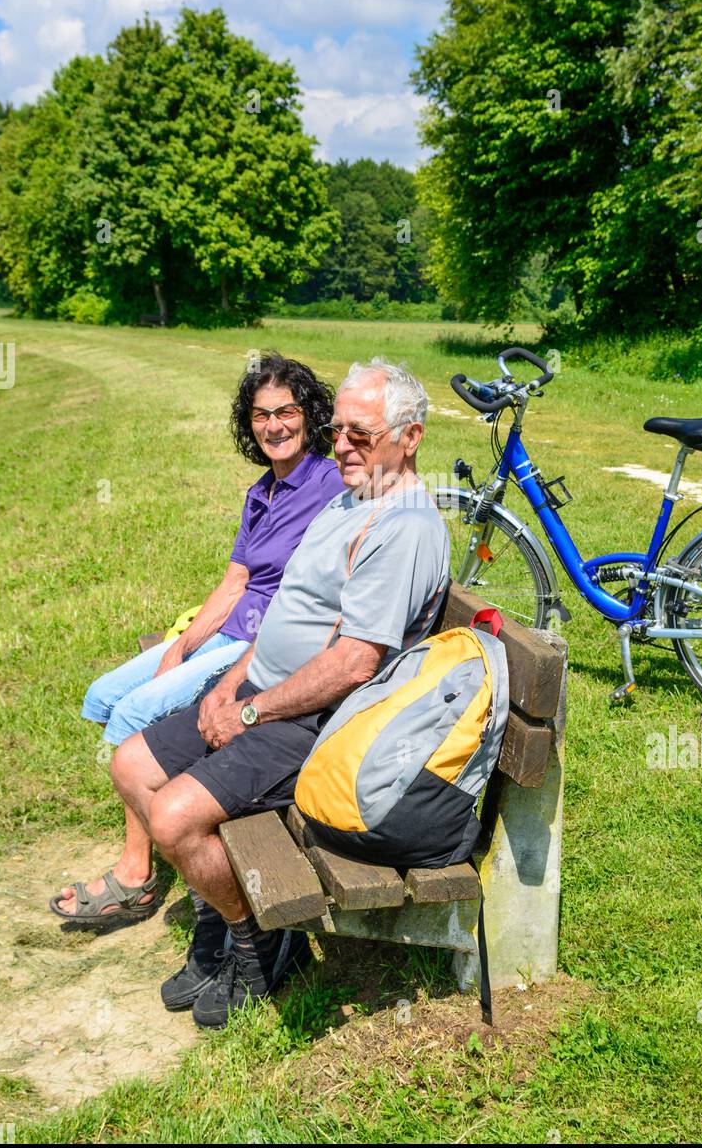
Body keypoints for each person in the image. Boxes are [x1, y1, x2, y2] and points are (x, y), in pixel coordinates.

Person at [107, 358, 450, 1025]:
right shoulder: (352, 500)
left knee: (176, 818)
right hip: (261, 691)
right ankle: (218, 920)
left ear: (410, 438)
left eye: (362, 434)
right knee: (131, 766)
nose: (342, 445)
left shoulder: (402, 525)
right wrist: (229, 683)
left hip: (315, 723)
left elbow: (353, 662)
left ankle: (260, 938)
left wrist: (252, 709)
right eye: (339, 429)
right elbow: (287, 611)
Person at [50, 354, 344, 924]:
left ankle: (137, 873)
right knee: (104, 695)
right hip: (228, 634)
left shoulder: (329, 484)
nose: (275, 426)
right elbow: (235, 580)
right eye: (261, 416)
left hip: (258, 651)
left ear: (309, 416)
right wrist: (179, 647)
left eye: (286, 412)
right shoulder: (263, 492)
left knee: (135, 714)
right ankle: (155, 845)